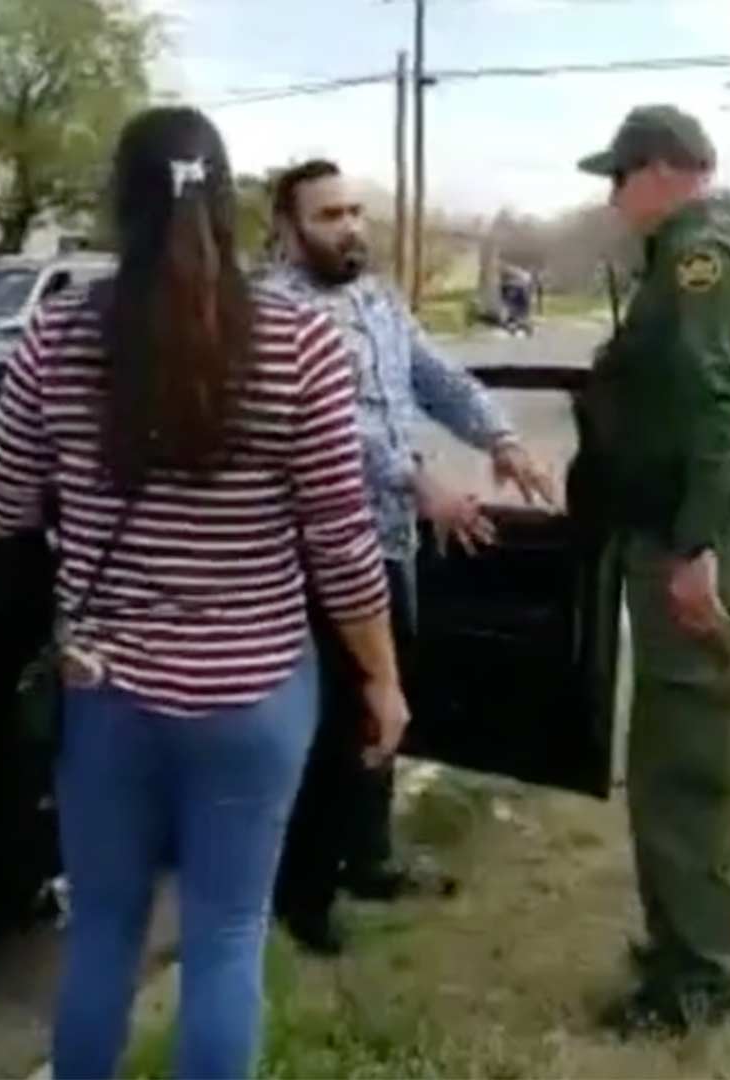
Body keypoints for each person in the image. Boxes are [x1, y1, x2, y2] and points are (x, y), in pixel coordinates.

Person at [0, 107, 410, 1080]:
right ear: (229, 208)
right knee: (226, 941)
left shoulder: (57, 337)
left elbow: (5, 504)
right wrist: (384, 679)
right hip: (260, 692)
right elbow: (344, 549)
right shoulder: (303, 346)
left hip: (110, 695)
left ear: (119, 206)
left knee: (102, 935)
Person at [258, 159, 557, 955]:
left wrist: (500, 437)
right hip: (314, 553)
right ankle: (305, 896)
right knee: (329, 724)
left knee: (382, 710)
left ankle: (369, 857)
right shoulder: (270, 315)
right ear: (287, 230)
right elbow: (326, 431)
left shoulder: (378, 299)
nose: (350, 226)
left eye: (355, 211)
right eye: (329, 215)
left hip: (387, 541)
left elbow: (437, 377)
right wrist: (418, 479)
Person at [573, 105, 730, 1035]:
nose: (614, 201)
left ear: (657, 170)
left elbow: (725, 408)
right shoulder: (701, 253)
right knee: (698, 750)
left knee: (679, 763)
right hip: (684, 533)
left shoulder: (700, 262)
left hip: (692, 542)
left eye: (617, 179)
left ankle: (694, 981)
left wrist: (694, 549)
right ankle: (714, 942)